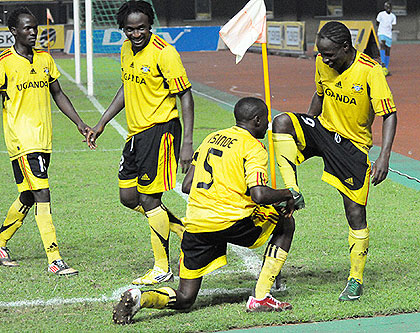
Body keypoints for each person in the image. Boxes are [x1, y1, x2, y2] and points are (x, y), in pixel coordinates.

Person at [112, 97, 296, 325]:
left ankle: (141, 298)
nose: (268, 123)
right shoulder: (253, 147)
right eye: (266, 119)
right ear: (257, 120)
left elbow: (187, 186)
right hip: (232, 222)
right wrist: (289, 194)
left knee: (185, 297)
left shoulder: (211, 138)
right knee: (286, 222)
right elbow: (259, 195)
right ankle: (260, 297)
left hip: (197, 225)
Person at [272, 21, 397, 301]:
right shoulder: (322, 61)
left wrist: (384, 156)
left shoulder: (370, 71)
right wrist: (306, 129)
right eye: (321, 54)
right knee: (281, 122)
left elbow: (389, 114)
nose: (325, 59)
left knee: (355, 213)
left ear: (345, 47)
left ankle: (355, 280)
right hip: (324, 130)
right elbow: (319, 95)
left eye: (329, 54)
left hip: (352, 146)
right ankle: (293, 190)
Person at [86, 1, 194, 285]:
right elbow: (127, 86)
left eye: (142, 28)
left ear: (150, 25)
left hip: (161, 131)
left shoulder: (165, 53)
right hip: (136, 133)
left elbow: (185, 96)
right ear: (123, 29)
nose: (137, 34)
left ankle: (162, 267)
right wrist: (102, 122)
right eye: (131, 30)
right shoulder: (124, 50)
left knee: (149, 198)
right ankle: (186, 233)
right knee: (129, 198)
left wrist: (188, 144)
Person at [0, 7, 91, 275]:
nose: (32, 32)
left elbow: (58, 93)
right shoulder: (4, 63)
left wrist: (79, 122)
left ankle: (1, 242)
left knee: (28, 195)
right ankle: (54, 259)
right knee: (42, 194)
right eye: (26, 28)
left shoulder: (44, 59)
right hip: (21, 140)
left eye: (35, 27)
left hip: (43, 140)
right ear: (13, 31)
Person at [376, 1, 396, 76]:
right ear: (384, 8)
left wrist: (390, 29)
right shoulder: (381, 14)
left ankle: (386, 68)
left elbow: (392, 25)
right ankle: (383, 64)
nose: (388, 8)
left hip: (389, 35)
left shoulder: (393, 16)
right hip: (381, 32)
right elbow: (377, 23)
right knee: (382, 45)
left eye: (389, 7)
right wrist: (379, 30)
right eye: (387, 7)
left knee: (388, 50)